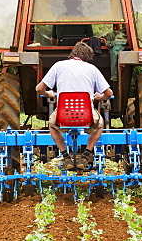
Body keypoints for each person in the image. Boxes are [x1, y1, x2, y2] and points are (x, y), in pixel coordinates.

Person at [35, 41, 112, 170]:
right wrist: (100, 97)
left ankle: (66, 157)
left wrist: (48, 94)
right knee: (100, 124)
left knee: (52, 125)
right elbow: (109, 93)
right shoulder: (92, 69)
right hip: (87, 117)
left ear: (73, 54)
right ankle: (86, 155)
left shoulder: (58, 66)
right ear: (87, 58)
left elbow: (39, 89)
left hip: (63, 117)